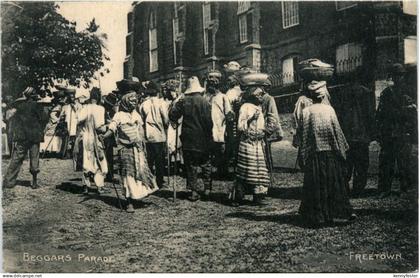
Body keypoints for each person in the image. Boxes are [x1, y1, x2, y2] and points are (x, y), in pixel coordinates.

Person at [298, 80, 355, 227]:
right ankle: (336, 213)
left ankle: (318, 216)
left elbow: (304, 136)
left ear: (312, 96)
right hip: (330, 153)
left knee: (316, 185)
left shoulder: (306, 112)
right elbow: (337, 132)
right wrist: (342, 151)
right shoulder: (329, 110)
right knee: (333, 183)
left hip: (314, 155)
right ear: (323, 95)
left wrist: (303, 155)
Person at [101, 91, 158, 212]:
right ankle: (128, 201)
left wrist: (143, 143)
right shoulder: (119, 115)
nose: (133, 103)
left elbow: (140, 130)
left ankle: (137, 196)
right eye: (131, 102)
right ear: (125, 102)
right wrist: (104, 137)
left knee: (140, 171)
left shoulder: (136, 114)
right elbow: (112, 129)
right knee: (127, 174)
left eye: (135, 101)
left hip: (137, 148)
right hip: (125, 149)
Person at [376, 63, 417, 198]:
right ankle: (384, 189)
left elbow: (413, 114)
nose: (399, 78)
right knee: (386, 162)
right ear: (392, 77)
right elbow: (381, 114)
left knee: (404, 162)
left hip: (403, 132)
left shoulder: (409, 92)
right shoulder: (386, 93)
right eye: (396, 75)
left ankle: (405, 188)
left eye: (401, 75)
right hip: (389, 132)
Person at [169, 76, 212, 201]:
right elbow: (209, 121)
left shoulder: (183, 101)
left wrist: (175, 104)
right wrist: (209, 136)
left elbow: (173, 115)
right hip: (203, 137)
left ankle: (193, 191)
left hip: (188, 137)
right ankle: (207, 189)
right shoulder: (205, 102)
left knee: (191, 164)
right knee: (206, 163)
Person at [231, 73, 271, 206]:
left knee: (259, 170)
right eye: (259, 95)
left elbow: (261, 125)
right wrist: (251, 119)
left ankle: (258, 195)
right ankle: (238, 196)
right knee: (245, 169)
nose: (261, 97)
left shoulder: (258, 108)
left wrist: (264, 131)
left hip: (258, 143)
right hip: (247, 143)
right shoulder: (245, 107)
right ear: (252, 95)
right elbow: (240, 126)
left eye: (261, 95)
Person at [338, 68, 376, 197]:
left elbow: (339, 114)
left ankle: (344, 189)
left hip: (346, 135)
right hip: (361, 136)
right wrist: (373, 133)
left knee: (346, 164)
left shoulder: (342, 92)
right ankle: (358, 190)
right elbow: (370, 115)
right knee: (361, 165)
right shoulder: (366, 92)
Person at [3, 87, 48, 189]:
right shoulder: (38, 106)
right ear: (33, 96)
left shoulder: (20, 106)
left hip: (22, 136)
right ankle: (34, 182)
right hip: (34, 136)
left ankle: (9, 181)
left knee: (16, 158)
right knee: (34, 158)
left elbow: (15, 121)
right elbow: (44, 119)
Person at [75, 87, 108, 195]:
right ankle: (99, 186)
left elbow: (78, 120)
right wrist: (107, 127)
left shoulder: (85, 108)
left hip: (86, 137)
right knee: (99, 161)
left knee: (87, 159)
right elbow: (99, 127)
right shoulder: (100, 109)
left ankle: (86, 185)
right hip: (96, 138)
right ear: (98, 97)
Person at [204, 70, 234, 179]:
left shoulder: (223, 97)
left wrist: (229, 117)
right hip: (207, 128)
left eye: (214, 82)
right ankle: (210, 171)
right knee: (209, 151)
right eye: (210, 81)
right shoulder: (204, 97)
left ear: (218, 83)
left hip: (220, 128)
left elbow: (228, 113)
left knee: (221, 150)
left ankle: (223, 171)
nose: (211, 84)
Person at [139, 81, 169, 189]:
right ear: (157, 92)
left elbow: (141, 120)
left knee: (150, 159)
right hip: (159, 134)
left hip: (148, 134)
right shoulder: (162, 103)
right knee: (160, 160)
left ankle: (150, 181)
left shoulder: (143, 104)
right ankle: (159, 181)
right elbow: (166, 119)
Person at [40, 91, 66, 155]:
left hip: (55, 122)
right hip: (54, 123)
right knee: (50, 135)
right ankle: (48, 150)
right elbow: (52, 115)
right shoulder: (57, 108)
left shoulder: (59, 107)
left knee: (56, 136)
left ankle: (53, 150)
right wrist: (58, 120)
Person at [225, 75, 243, 168]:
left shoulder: (230, 92)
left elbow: (228, 109)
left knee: (232, 140)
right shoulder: (241, 92)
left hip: (233, 120)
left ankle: (232, 160)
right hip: (241, 119)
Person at [103, 92, 120, 182]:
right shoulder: (102, 110)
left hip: (110, 135)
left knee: (109, 155)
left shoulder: (113, 112)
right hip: (103, 133)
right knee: (101, 155)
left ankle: (110, 175)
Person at [59, 89, 80, 158]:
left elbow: (80, 114)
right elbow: (61, 115)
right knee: (67, 139)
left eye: (73, 97)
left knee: (74, 139)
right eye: (70, 97)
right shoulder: (65, 107)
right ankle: (66, 153)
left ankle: (74, 153)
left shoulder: (78, 105)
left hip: (75, 124)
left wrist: (74, 108)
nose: (72, 99)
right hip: (67, 124)